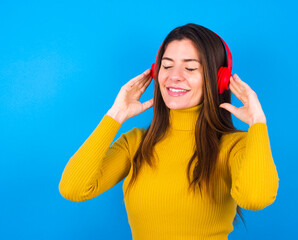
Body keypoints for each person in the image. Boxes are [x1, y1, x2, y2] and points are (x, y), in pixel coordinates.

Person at [59, 23, 279, 239]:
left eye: (191, 67)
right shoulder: (135, 143)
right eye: (166, 65)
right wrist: (115, 115)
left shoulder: (235, 145)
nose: (174, 76)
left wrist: (257, 123)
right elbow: (74, 188)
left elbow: (255, 198)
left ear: (218, 79)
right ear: (156, 72)